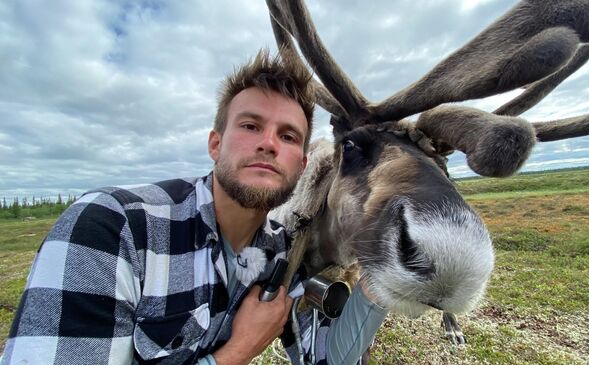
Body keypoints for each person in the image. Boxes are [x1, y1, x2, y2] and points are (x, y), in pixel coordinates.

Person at [1, 50, 387, 365]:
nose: (269, 143)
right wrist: (236, 353)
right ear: (215, 145)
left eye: (288, 136)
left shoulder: (280, 257)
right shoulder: (110, 229)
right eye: (251, 126)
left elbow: (324, 359)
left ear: (302, 167)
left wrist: (381, 281)